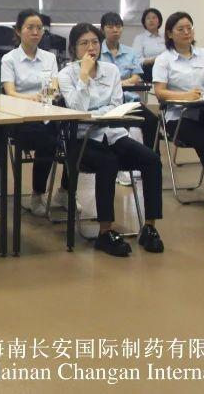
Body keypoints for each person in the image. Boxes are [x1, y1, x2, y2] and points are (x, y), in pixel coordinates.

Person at [57, 23, 165, 256]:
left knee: (151, 159)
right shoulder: (66, 74)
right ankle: (105, 232)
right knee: (108, 163)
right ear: (73, 48)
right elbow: (77, 109)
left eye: (95, 42)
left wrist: (95, 113)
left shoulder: (111, 70)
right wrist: (84, 76)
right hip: (82, 139)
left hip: (113, 133)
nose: (91, 48)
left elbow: (116, 105)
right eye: (84, 43)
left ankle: (150, 227)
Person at [151, 11, 204, 216]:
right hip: (177, 117)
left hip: (203, 111)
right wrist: (185, 96)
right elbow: (160, 92)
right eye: (180, 29)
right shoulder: (164, 59)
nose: (186, 32)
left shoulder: (203, 54)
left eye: (189, 28)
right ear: (170, 34)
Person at [2, 9, 67, 216]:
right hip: (21, 118)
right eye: (30, 27)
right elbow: (10, 92)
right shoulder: (9, 59)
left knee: (75, 137)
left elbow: (53, 87)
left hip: (47, 113)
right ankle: (37, 194)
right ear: (18, 30)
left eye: (39, 28)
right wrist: (31, 98)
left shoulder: (49, 58)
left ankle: (66, 191)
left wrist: (46, 96)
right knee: (49, 142)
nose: (35, 32)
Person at [100, 11, 159, 149]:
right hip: (106, 104)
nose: (115, 30)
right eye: (110, 27)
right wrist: (121, 83)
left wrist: (118, 84)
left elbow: (136, 77)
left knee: (152, 121)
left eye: (118, 26)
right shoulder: (97, 52)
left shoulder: (130, 52)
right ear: (102, 30)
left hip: (128, 103)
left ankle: (152, 157)